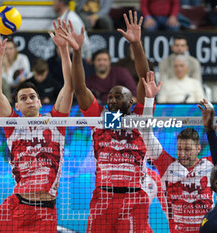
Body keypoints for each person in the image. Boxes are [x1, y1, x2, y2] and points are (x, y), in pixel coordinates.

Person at [0, 19, 74, 232]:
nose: (28, 100)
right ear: (17, 105)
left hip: (45, 212)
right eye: (23, 98)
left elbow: (70, 87)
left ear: (39, 101)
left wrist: (64, 50)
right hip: (16, 205)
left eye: (32, 97)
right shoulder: (12, 124)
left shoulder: (56, 122)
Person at [57, 11, 152, 232]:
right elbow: (80, 88)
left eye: (118, 96)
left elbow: (144, 77)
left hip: (134, 198)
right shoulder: (99, 118)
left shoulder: (140, 115)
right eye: (109, 96)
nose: (112, 99)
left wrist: (137, 45)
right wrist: (77, 51)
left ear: (132, 101)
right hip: (103, 198)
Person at [140, 78, 217, 233]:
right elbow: (145, 131)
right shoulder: (166, 164)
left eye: (187, 149)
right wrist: (149, 99)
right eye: (179, 149)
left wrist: (214, 125)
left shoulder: (211, 164)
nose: (182, 153)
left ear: (198, 148)